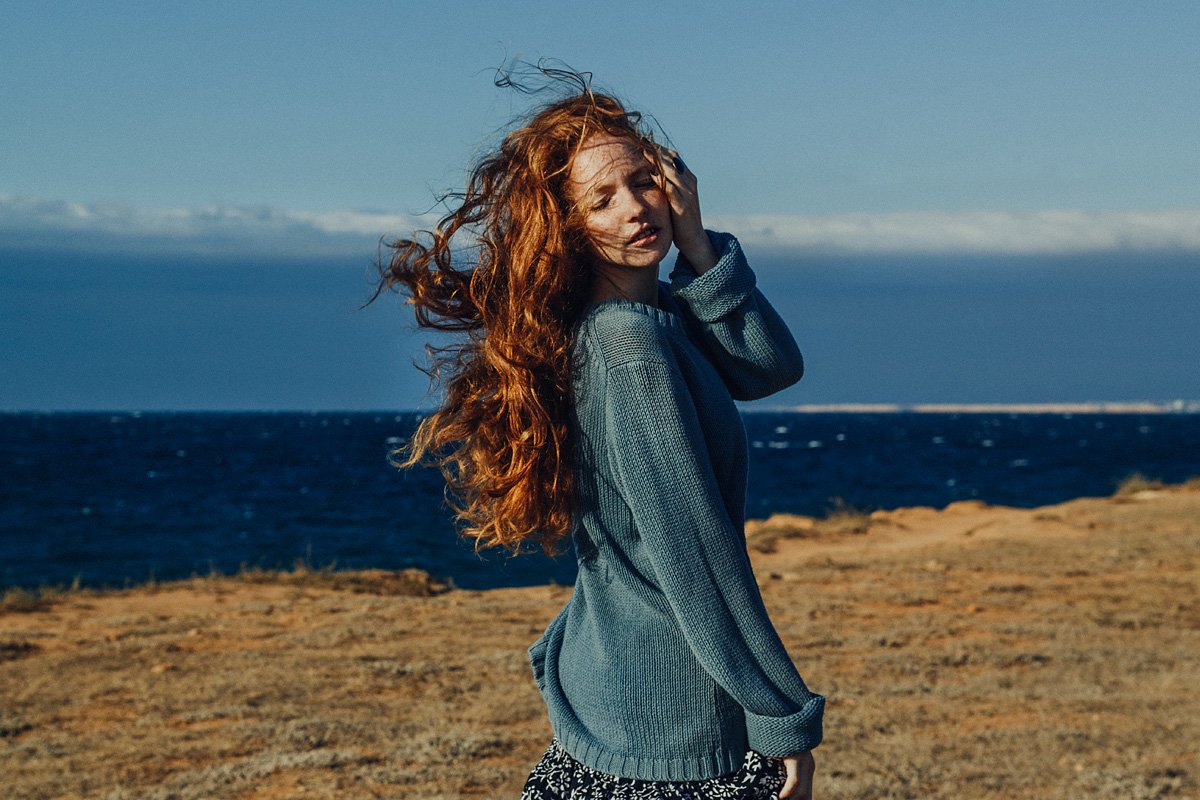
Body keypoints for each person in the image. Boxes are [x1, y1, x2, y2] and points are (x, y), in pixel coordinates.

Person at [377, 70, 824, 800]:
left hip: (624, 707)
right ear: (569, 227)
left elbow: (769, 368)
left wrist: (700, 248)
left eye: (645, 183)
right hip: (672, 735)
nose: (635, 210)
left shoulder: (659, 326)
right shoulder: (627, 347)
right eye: (602, 200)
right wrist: (782, 720)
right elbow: (695, 554)